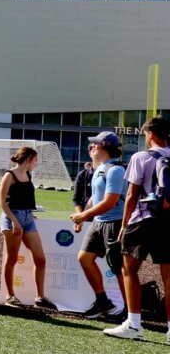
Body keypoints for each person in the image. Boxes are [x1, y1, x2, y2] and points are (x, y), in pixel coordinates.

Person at [103, 117, 170, 341]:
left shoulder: (141, 157)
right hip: (168, 221)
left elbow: (132, 194)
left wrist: (124, 225)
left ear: (150, 134)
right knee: (168, 276)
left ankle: (133, 324)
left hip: (143, 218)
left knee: (129, 269)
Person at [70, 131, 127, 319]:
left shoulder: (116, 170)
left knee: (119, 268)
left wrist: (84, 215)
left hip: (115, 223)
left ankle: (129, 310)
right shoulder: (101, 168)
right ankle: (103, 302)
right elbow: (96, 197)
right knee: (84, 258)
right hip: (98, 222)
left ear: (103, 146)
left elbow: (109, 202)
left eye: (95, 143)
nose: (92, 146)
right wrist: (83, 217)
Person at [0, 147, 56, 309]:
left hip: (28, 218)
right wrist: (15, 221)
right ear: (29, 159)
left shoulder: (28, 175)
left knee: (40, 259)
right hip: (12, 219)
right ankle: (10, 296)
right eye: (36, 160)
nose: (37, 163)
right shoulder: (9, 175)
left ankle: (40, 297)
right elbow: (1, 201)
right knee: (12, 259)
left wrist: (28, 215)